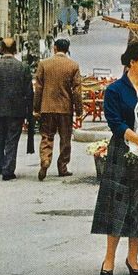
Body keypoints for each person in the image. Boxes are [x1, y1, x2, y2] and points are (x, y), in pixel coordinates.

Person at [91, 39, 138, 275]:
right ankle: (108, 259)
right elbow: (114, 121)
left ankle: (133, 259)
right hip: (122, 150)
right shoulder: (114, 90)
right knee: (116, 206)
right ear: (132, 61)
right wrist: (134, 136)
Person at [33, 38, 82, 180]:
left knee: (47, 136)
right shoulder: (73, 65)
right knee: (65, 139)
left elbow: (38, 88)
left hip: (47, 107)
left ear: (54, 48)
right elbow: (77, 91)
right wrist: (79, 111)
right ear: (67, 49)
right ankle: (62, 166)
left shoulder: (44, 64)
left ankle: (45, 159)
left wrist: (36, 108)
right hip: (65, 109)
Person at [0, 38, 33, 180]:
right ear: (15, 49)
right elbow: (29, 92)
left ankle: (0, 165)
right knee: (12, 140)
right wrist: (30, 112)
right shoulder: (22, 67)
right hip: (17, 111)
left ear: (1, 49)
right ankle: (8, 169)